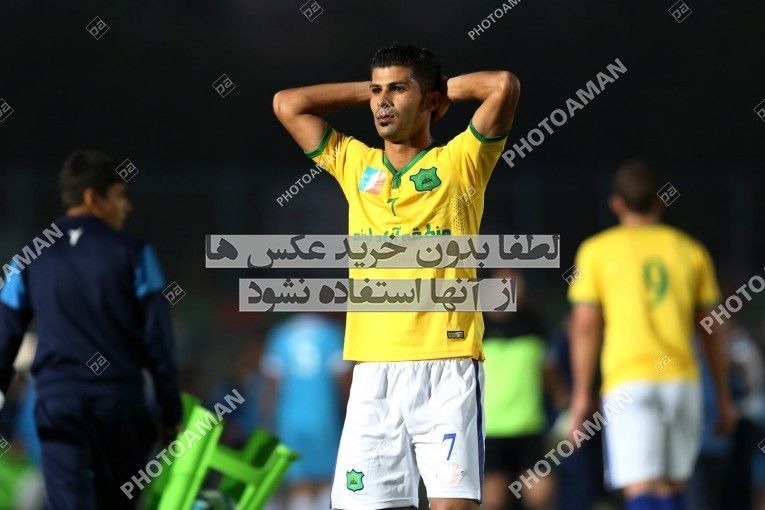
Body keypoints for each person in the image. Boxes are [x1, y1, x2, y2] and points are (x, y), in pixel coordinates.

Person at [273, 43, 520, 510]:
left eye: (398, 90)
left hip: (447, 366)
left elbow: (503, 85)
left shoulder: (461, 162)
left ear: (431, 101)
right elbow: (287, 104)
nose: (382, 102)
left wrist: (436, 89)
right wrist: (374, 90)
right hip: (373, 372)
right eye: (376, 91)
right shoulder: (357, 164)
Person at [0, 150, 182, 509]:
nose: (126, 206)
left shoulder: (29, 256)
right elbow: (158, 339)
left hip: (59, 404)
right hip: (120, 406)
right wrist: (169, 411)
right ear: (91, 197)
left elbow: (5, 335)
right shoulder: (135, 253)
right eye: (119, 196)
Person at [567, 159, 738, 510]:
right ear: (661, 200)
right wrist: (723, 395)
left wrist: (581, 395)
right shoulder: (690, 250)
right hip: (681, 380)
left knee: (640, 485)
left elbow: (585, 326)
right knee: (674, 484)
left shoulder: (597, 250)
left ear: (616, 203)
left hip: (629, 380)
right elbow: (712, 329)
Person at [260, 313, 350, 510]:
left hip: (289, 417)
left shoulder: (281, 334)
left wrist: (266, 418)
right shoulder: (330, 333)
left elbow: (272, 381)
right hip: (323, 415)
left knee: (297, 477)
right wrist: (350, 412)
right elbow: (343, 378)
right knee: (327, 474)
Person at [481, 269, 554, 510]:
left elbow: (548, 369)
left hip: (529, 426)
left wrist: (562, 402)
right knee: (494, 499)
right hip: (490, 429)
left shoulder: (535, 326)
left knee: (540, 495)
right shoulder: (477, 328)